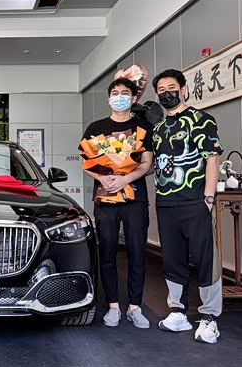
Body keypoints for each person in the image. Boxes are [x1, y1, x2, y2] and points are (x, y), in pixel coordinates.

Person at [151, 69, 224, 344]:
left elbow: (212, 158)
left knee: (205, 259)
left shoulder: (201, 120)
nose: (166, 93)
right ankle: (178, 311)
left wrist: (208, 198)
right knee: (172, 259)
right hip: (165, 203)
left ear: (183, 90)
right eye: (161, 89)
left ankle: (209, 317)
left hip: (195, 202)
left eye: (171, 87)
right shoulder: (158, 128)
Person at [80, 77, 154, 328]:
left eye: (124, 93)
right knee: (107, 252)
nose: (119, 97)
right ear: (108, 98)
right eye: (114, 93)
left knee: (136, 252)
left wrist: (125, 179)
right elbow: (87, 162)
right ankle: (113, 306)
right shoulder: (96, 127)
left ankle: (135, 306)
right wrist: (102, 177)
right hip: (106, 197)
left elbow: (147, 163)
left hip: (136, 198)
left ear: (134, 98)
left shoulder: (143, 127)